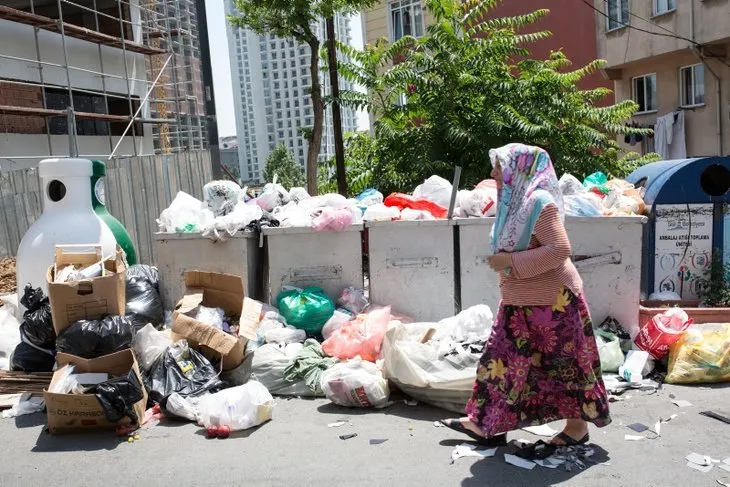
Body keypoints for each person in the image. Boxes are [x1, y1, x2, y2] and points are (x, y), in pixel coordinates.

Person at [440, 143, 610, 448]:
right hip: (518, 301)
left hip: (553, 302)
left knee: (565, 366)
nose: (493, 173)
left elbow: (560, 250)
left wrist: (510, 263)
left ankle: (577, 428)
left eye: (500, 166)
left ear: (521, 169)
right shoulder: (513, 202)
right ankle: (486, 424)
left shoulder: (539, 203)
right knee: (499, 363)